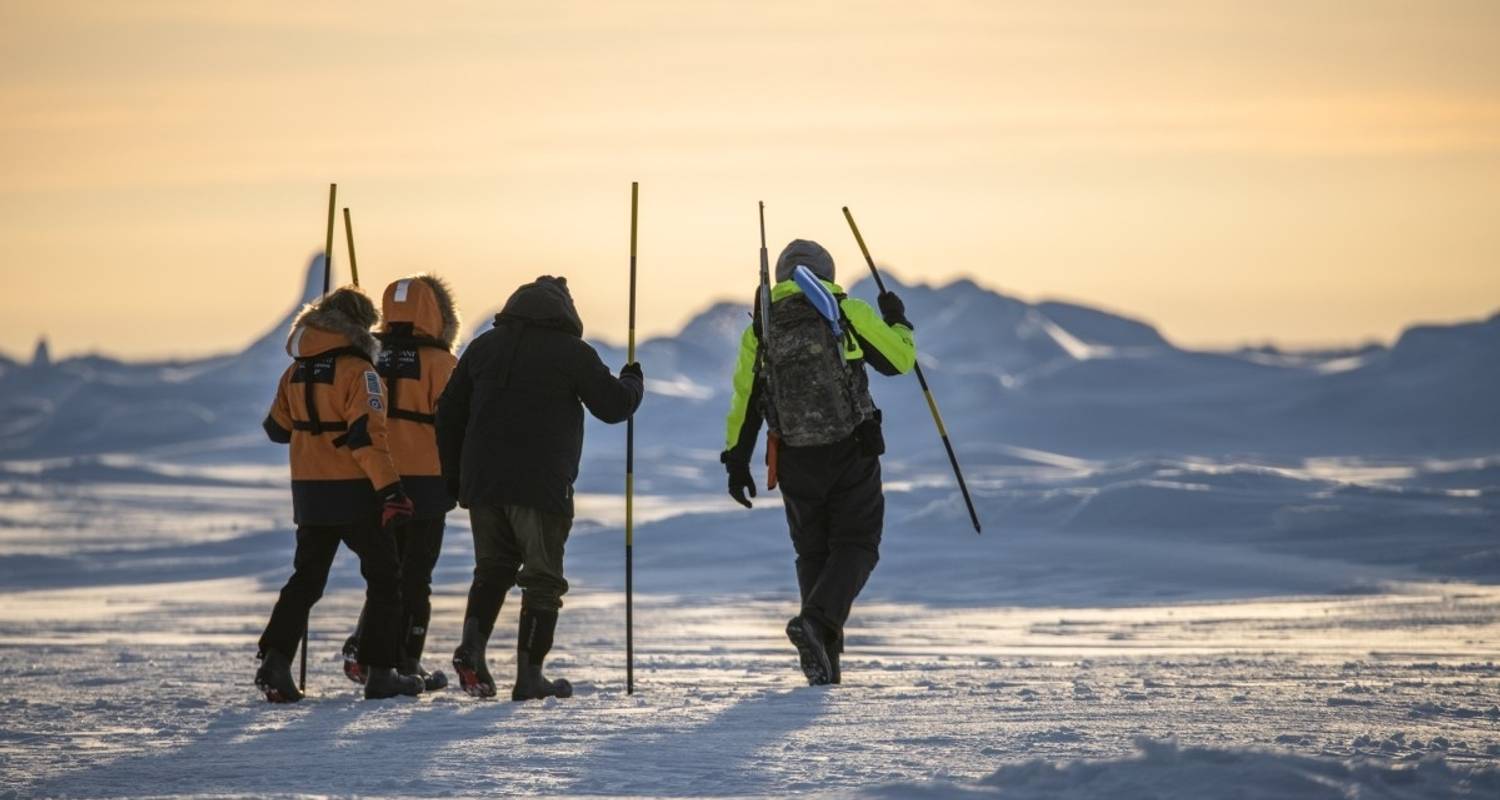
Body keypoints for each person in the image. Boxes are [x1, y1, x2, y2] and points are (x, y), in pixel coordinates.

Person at [437, 276, 644, 701]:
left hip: (483, 484)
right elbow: (614, 407)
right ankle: (529, 677)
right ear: (564, 311)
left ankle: (472, 647)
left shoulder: (482, 347)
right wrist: (632, 381)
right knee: (542, 580)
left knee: (492, 569)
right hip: (541, 485)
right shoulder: (571, 352)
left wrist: (455, 478)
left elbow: (448, 414)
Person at [720, 239, 915, 686]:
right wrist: (898, 321)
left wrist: (736, 461)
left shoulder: (762, 329)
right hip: (850, 448)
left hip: (791, 455)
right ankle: (818, 623)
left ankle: (823, 654)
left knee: (812, 551)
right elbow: (900, 360)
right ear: (826, 271)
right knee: (859, 543)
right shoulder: (844, 310)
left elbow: (745, 401)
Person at [257, 286, 424, 701]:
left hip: (310, 494)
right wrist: (392, 490)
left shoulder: (294, 372)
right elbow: (367, 439)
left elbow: (276, 429)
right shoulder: (360, 372)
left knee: (307, 580)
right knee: (386, 580)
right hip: (355, 493)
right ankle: (381, 672)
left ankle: (275, 661)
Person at [340, 275, 460, 692]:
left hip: (374, 479)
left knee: (385, 574)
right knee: (416, 576)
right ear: (439, 315)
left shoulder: (364, 357)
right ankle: (406, 661)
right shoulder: (442, 365)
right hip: (426, 483)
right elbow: (455, 422)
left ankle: (368, 648)